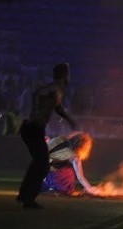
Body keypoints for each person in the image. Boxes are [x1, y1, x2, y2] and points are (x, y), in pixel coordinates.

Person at [16, 63, 78, 209]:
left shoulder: (56, 91)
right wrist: (34, 112)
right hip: (33, 128)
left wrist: (69, 120)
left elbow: (57, 107)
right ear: (65, 76)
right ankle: (28, 199)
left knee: (37, 162)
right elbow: (38, 92)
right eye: (68, 74)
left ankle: (23, 194)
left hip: (32, 128)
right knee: (43, 164)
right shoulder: (53, 88)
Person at [41, 131, 99, 196]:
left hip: (45, 174)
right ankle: (58, 189)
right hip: (56, 180)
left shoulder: (61, 143)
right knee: (68, 173)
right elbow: (80, 176)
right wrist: (90, 188)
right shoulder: (75, 155)